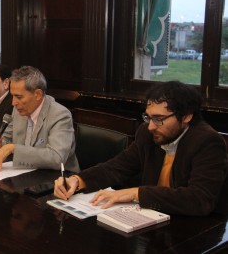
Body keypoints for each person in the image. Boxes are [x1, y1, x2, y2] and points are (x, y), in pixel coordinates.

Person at [54, 81, 228, 216]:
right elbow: (117, 167)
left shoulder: (208, 142)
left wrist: (136, 193)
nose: (151, 126)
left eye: (159, 119)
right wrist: (77, 180)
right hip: (151, 221)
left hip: (194, 231)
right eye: (148, 117)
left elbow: (199, 200)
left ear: (186, 116)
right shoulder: (148, 133)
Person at [0, 66, 80, 172]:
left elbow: (56, 158)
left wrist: (13, 149)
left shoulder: (60, 115)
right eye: (12, 96)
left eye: (19, 97)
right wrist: (0, 147)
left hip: (59, 180)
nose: (13, 103)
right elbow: (7, 141)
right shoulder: (18, 110)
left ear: (37, 94)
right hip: (24, 176)